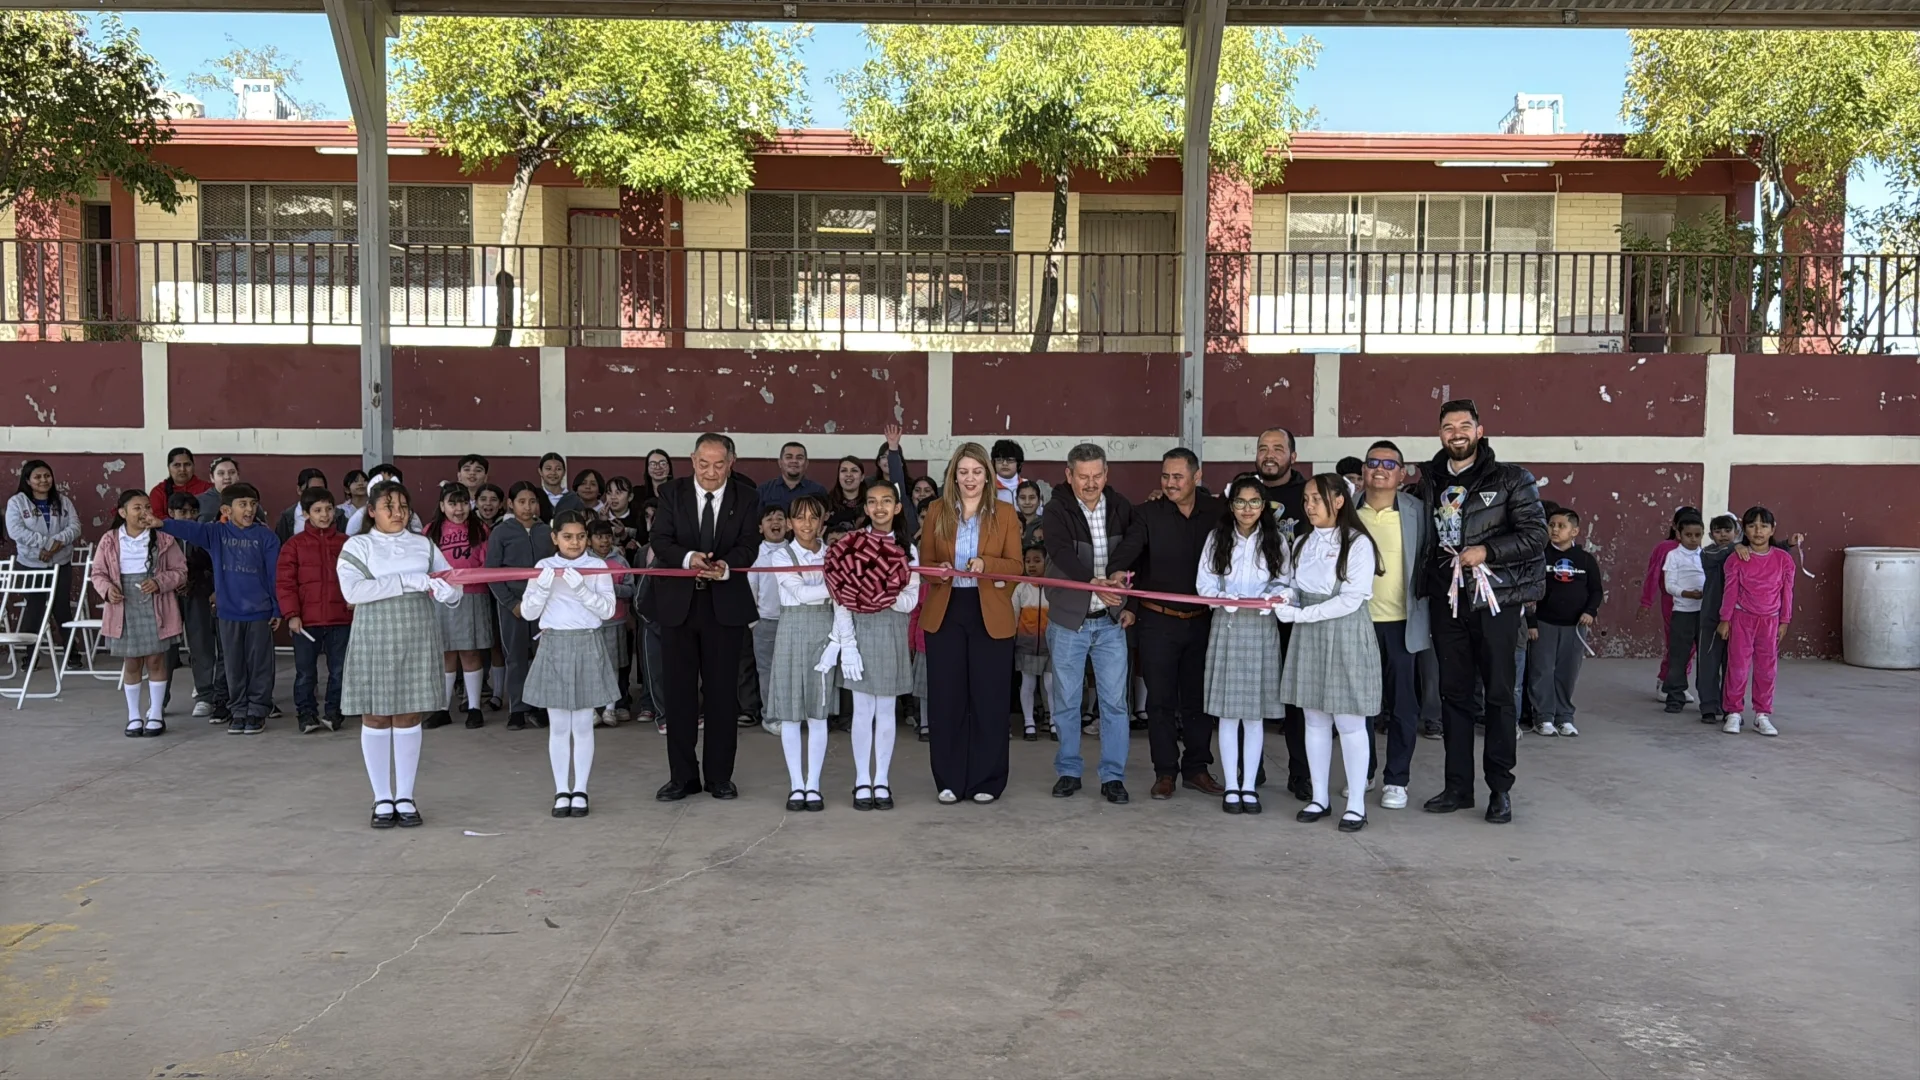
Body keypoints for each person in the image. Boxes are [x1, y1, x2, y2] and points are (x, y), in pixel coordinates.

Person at [1416, 399, 1547, 825]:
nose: (1457, 433)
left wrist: (1487, 551)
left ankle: (1500, 789)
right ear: (1440, 433)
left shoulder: (1511, 479)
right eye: (1449, 426)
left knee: (1496, 694)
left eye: (1465, 425)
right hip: (1447, 600)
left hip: (1495, 601)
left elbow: (1536, 535)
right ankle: (1457, 787)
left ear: (1480, 430)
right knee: (1452, 694)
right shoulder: (1429, 479)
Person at [337, 483, 460, 828]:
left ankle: (405, 795)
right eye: (389, 506)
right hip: (374, 633)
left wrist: (448, 592)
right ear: (371, 512)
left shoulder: (424, 545)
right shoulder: (358, 545)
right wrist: (410, 582)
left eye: (403, 506)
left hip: (417, 632)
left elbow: (453, 587)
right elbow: (354, 590)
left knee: (409, 714)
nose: (398, 512)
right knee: (375, 715)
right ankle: (381, 797)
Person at [1106, 448, 1225, 800]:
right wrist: (1116, 575)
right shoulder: (1147, 514)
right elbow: (1128, 554)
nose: (1170, 484)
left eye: (1178, 477)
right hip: (1157, 621)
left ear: (1197, 476)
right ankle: (1165, 772)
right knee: (1159, 701)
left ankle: (1197, 769)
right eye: (1165, 477)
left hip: (1203, 622)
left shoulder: (1218, 513)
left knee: (1198, 700)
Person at [650, 433, 762, 802]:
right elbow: (660, 540)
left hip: (724, 606)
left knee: (720, 695)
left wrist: (727, 566)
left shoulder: (747, 496)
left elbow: (750, 544)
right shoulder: (672, 493)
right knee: (680, 696)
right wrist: (688, 559)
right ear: (692, 460)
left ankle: (719, 776)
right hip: (678, 607)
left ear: (732, 461)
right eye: (703, 463)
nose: (711, 472)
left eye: (719, 464)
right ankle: (682, 777)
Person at [920, 442, 1024, 804]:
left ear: (988, 476)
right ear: (954, 475)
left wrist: (986, 563)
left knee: (989, 700)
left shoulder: (1007, 513)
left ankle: (987, 780)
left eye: (976, 472)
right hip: (946, 610)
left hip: (989, 612)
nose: (970, 479)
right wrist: (940, 572)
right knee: (947, 700)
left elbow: (1017, 566)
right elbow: (926, 563)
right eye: (963, 472)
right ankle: (948, 780)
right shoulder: (937, 511)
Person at [1278, 475, 1383, 832]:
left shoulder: (1358, 544)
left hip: (1344, 632)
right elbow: (1293, 586)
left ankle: (1355, 803)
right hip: (1309, 635)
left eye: (1316, 499)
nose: (1308, 506)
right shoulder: (1302, 542)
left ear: (1339, 501)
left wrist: (1301, 614)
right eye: (1306, 499)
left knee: (1350, 722)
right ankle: (1319, 796)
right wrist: (1282, 599)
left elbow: (1351, 599)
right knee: (1314, 718)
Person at [1043, 443, 1137, 805]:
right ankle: (1068, 770)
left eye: (1097, 475)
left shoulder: (1122, 507)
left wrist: (1130, 603)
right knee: (1067, 701)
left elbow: (1135, 550)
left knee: (1115, 704)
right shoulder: (1056, 509)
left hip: (1111, 622)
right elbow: (1061, 552)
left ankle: (1113, 776)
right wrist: (1092, 582)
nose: (1091, 483)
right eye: (1083, 476)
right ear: (1069, 475)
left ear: (1106, 474)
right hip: (1070, 623)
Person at [1195, 474, 1290, 814]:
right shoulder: (1216, 538)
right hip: (1228, 625)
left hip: (1261, 630)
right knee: (1228, 714)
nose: (1246, 509)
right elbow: (1204, 584)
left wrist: (1273, 596)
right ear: (1230, 505)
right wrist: (1223, 598)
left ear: (1263, 505)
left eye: (1254, 502)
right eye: (1240, 501)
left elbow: (1286, 581)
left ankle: (1250, 785)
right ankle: (1231, 786)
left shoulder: (1275, 540)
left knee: (1253, 717)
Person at [826, 479, 921, 812]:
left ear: (897, 507)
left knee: (886, 710)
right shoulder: (852, 544)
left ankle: (882, 778)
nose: (879, 508)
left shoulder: (909, 550)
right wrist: (847, 643)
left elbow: (911, 600)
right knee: (863, 710)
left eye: (886, 501)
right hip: (860, 632)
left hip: (892, 632)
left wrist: (880, 594)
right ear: (865, 508)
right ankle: (861, 779)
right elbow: (840, 597)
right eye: (872, 502)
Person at [158, 481, 282, 735]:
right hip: (228, 613)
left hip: (260, 613)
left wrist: (277, 609)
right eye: (243, 505)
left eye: (253, 504)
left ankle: (258, 710)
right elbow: (188, 528)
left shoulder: (266, 537)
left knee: (259, 665)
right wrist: (160, 523)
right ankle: (237, 710)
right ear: (226, 510)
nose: (249, 510)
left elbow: (274, 576)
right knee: (233, 665)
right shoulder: (216, 534)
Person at [519, 509, 618, 817]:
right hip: (554, 644)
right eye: (567, 537)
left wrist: (581, 589)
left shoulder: (597, 565)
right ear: (554, 538)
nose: (574, 542)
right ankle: (562, 789)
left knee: (584, 724)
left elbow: (608, 611)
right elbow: (528, 613)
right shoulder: (544, 566)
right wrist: (544, 587)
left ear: (586, 538)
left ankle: (581, 790)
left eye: (580, 536)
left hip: (587, 641)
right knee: (559, 725)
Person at [1354, 441, 1430, 811]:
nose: (1380, 469)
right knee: (1360, 705)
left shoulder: (1418, 512)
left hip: (1402, 624)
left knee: (1403, 706)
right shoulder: (1345, 510)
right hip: (1356, 625)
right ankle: (1363, 771)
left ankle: (1396, 780)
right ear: (1363, 471)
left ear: (1402, 473)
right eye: (1372, 463)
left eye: (1389, 463)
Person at [1248, 427, 1312, 799]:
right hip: (1251, 612)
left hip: (1294, 609)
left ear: (1293, 455)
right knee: (1250, 693)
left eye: (1277, 448)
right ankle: (1250, 768)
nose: (1269, 454)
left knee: (1296, 697)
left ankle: (1300, 773)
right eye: (1262, 447)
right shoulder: (1241, 493)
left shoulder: (1307, 495)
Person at [91, 490, 185, 737]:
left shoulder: (164, 539)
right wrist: (108, 589)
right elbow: (98, 573)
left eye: (147, 507)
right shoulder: (109, 540)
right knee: (131, 661)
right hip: (124, 605)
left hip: (155, 604)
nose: (144, 512)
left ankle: (155, 712)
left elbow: (180, 570)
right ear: (123, 513)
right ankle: (133, 715)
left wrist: (159, 582)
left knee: (156, 659)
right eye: (137, 508)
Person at [766, 495, 835, 811]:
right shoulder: (781, 555)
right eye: (800, 518)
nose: (807, 524)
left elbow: (839, 603)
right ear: (790, 522)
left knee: (817, 713)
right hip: (792, 632)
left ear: (823, 521)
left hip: (825, 630)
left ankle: (814, 784)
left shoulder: (834, 555)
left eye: (814, 517)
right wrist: (837, 586)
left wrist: (838, 642)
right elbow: (800, 593)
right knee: (791, 715)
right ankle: (796, 785)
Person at [276, 488, 352, 734]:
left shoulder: (346, 543)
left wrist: (354, 600)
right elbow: (286, 583)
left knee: (339, 670)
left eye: (329, 509)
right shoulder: (294, 545)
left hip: (341, 618)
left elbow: (357, 577)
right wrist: (292, 615)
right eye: (318, 510)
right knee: (306, 672)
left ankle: (334, 712)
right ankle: (306, 714)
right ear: (306, 514)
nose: (324, 515)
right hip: (306, 622)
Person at [1528, 507, 1603, 738]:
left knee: (1567, 672)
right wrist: (1531, 622)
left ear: (1575, 531)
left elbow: (1596, 591)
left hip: (1575, 628)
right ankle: (1543, 718)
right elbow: (1529, 593)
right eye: (1552, 525)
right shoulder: (1540, 557)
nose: (1555, 530)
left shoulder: (1586, 560)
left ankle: (1564, 717)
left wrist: (1590, 612)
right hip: (1544, 624)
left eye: (1561, 526)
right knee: (1541, 671)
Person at [486, 481, 555, 730]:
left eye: (532, 501)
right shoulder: (501, 532)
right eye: (522, 502)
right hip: (512, 605)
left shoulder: (547, 531)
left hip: (544, 604)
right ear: (510, 504)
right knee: (515, 657)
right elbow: (492, 572)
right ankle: (517, 708)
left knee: (542, 656)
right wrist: (510, 603)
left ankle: (540, 706)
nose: (528, 507)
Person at [1719, 506, 1793, 737]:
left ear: (1773, 530)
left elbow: (1787, 592)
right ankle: (1733, 713)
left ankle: (1762, 714)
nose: (1758, 531)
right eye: (1752, 526)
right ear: (1745, 530)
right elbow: (1730, 591)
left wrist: (1785, 620)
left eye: (1763, 526)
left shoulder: (1784, 560)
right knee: (1738, 666)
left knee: (1766, 669)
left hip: (1770, 621)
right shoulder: (1737, 559)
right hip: (1742, 618)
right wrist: (1725, 619)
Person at [425, 484, 493, 730]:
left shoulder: (481, 529)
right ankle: (442, 708)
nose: (458, 509)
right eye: (452, 503)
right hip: (440, 598)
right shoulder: (429, 531)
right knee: (445, 653)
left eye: (463, 503)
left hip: (472, 596)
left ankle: (474, 707)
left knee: (470, 652)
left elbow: (488, 563)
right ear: (442, 506)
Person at [164, 490, 226, 721]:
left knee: (201, 645)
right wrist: (172, 583)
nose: (188, 516)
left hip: (198, 593)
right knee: (166, 649)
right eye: (182, 511)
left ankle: (204, 696)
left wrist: (200, 585)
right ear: (171, 513)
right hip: (167, 595)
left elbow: (213, 566)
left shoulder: (204, 535)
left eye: (193, 511)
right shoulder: (161, 535)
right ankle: (160, 698)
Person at [6, 460, 81, 649]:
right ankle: (30, 655)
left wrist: (56, 545)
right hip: (30, 564)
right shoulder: (17, 502)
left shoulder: (63, 501)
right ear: (28, 480)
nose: (43, 480)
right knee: (35, 609)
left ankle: (72, 653)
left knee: (61, 607)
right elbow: (16, 531)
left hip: (60, 563)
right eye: (37, 477)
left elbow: (75, 527)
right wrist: (47, 544)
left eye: (47, 476)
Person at [1638, 506, 1699, 702]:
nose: (1692, 536)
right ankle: (1665, 681)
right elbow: (1653, 575)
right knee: (1677, 644)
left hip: (1697, 604)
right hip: (1672, 602)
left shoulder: (1698, 550)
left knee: (1691, 646)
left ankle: (1679, 682)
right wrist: (1646, 602)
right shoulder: (1665, 549)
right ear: (1676, 527)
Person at [1660, 510, 1709, 714]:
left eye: (1697, 535)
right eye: (1688, 535)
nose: (1693, 539)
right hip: (1682, 612)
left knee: (1706, 658)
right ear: (1679, 534)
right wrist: (1687, 593)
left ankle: (1707, 699)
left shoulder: (1706, 555)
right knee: (1678, 656)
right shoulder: (1673, 556)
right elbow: (1669, 585)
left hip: (1704, 613)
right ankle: (1674, 697)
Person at [1694, 514, 1740, 728]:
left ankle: (1728, 706)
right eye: (1718, 531)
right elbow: (1722, 553)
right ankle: (1709, 707)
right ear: (1711, 535)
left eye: (1727, 530)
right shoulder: (1709, 552)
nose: (1723, 535)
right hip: (1711, 618)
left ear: (1736, 532)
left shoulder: (1743, 553)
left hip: (1737, 619)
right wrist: (1739, 547)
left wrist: (1787, 544)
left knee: (1732, 665)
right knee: (1708, 664)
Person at [586, 520, 634, 725]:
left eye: (607, 536)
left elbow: (631, 589)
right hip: (591, 624)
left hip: (616, 621)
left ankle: (610, 709)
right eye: (599, 536)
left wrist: (611, 589)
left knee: (613, 666)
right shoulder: (584, 561)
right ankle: (591, 710)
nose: (604, 541)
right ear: (589, 540)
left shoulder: (620, 561)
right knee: (591, 667)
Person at [748, 505, 788, 733]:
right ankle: (770, 716)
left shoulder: (793, 551)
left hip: (791, 622)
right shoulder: (756, 555)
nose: (775, 522)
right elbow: (751, 589)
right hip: (766, 622)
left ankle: (789, 714)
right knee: (767, 671)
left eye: (780, 518)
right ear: (761, 528)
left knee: (790, 670)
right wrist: (755, 622)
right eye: (769, 519)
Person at [1011, 546, 1052, 742]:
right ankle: (1029, 723)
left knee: (1050, 684)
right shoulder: (1021, 588)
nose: (1032, 565)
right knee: (1027, 683)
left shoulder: (1054, 587)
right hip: (1026, 644)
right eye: (1028, 561)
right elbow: (1013, 616)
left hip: (1051, 645)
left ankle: (1053, 721)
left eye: (1037, 560)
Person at [758, 441, 827, 513]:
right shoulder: (764, 490)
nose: (794, 461)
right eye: (789, 457)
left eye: (799, 458)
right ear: (780, 463)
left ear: (806, 464)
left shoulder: (818, 490)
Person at [149, 447, 212, 517]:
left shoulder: (208, 489)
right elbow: (157, 518)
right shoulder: (159, 492)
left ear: (194, 466)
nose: (182, 469)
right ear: (169, 468)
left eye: (187, 464)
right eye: (177, 465)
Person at [273, 468, 330, 542]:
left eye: (321, 490)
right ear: (299, 490)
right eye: (311, 490)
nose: (317, 495)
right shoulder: (287, 517)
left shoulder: (337, 516)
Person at [990, 439, 1049, 506]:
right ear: (993, 463)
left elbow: (1039, 512)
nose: (1004, 463)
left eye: (1010, 460)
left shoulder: (1030, 486)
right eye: (999, 460)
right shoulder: (988, 487)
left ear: (1019, 464)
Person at [825, 455, 866, 528]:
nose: (849, 474)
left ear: (862, 477)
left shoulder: (870, 502)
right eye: (844, 470)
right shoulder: (827, 502)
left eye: (854, 470)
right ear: (838, 476)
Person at [199, 457, 242, 521]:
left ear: (238, 476)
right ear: (212, 478)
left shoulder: (249, 499)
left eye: (232, 472)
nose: (227, 477)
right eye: (221, 473)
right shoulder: (199, 501)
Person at [1014, 480, 1045, 549]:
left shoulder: (1046, 524)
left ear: (1039, 500)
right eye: (1022, 498)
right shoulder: (1010, 523)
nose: (1027, 502)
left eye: (1032, 498)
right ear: (1016, 500)